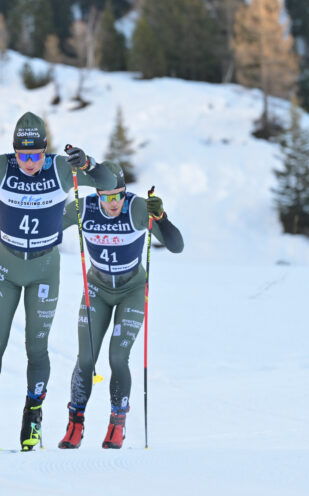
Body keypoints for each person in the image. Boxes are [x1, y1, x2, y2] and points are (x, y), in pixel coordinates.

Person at [0, 111, 117, 451]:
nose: (30, 162)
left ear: (45, 150)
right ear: (14, 151)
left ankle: (33, 414)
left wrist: (88, 162)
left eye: (36, 154)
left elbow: (109, 182)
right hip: (5, 268)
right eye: (23, 155)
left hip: (43, 270)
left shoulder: (61, 169)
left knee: (36, 348)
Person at [57, 161, 184, 449]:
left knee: (117, 357)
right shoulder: (85, 206)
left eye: (118, 196)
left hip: (132, 290)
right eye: (106, 196)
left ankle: (117, 423)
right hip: (97, 290)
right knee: (86, 358)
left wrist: (161, 217)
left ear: (125, 192)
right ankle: (75, 422)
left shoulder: (136, 208)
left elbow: (176, 246)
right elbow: (50, 222)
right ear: (97, 193)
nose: (113, 203)